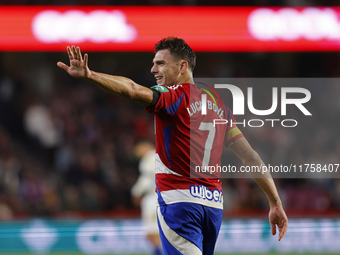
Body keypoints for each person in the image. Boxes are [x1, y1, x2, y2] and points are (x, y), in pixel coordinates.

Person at [57, 37, 288, 255]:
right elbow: (250, 156)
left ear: (182, 67)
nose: (153, 70)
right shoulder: (218, 103)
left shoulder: (173, 96)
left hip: (179, 203)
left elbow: (131, 89)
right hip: (213, 206)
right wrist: (275, 202)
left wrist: (91, 75)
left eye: (160, 63)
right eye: (153, 63)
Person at [131, 142, 162, 255]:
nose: (138, 153)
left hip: (153, 198)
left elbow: (147, 178)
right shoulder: (159, 155)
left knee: (151, 230)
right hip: (163, 196)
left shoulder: (150, 156)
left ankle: (159, 253)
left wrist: (136, 191)